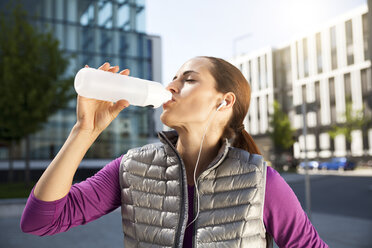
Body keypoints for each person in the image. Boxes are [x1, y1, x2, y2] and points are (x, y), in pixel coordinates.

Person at [20, 57, 328, 248]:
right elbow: (40, 221)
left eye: (189, 79)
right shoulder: (130, 168)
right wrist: (84, 131)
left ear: (224, 101)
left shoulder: (261, 181)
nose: (171, 86)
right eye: (174, 77)